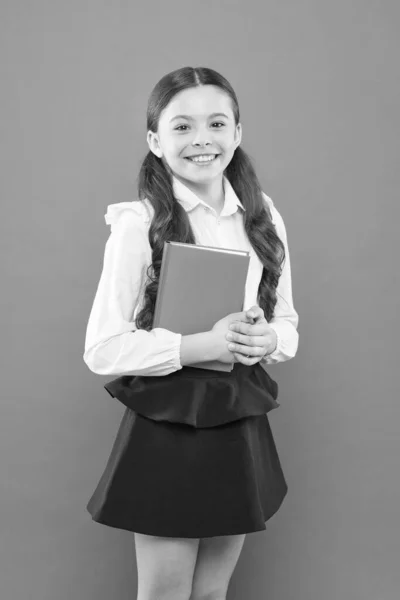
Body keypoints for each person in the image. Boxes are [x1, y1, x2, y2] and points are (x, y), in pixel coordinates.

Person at [83, 66, 299, 600]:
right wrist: (199, 346)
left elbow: (288, 323)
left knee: (210, 595)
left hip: (236, 412)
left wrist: (267, 340)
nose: (202, 139)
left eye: (217, 123)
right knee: (165, 596)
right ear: (155, 140)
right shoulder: (140, 221)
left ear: (238, 133)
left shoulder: (263, 214)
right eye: (182, 126)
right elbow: (102, 349)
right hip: (169, 422)